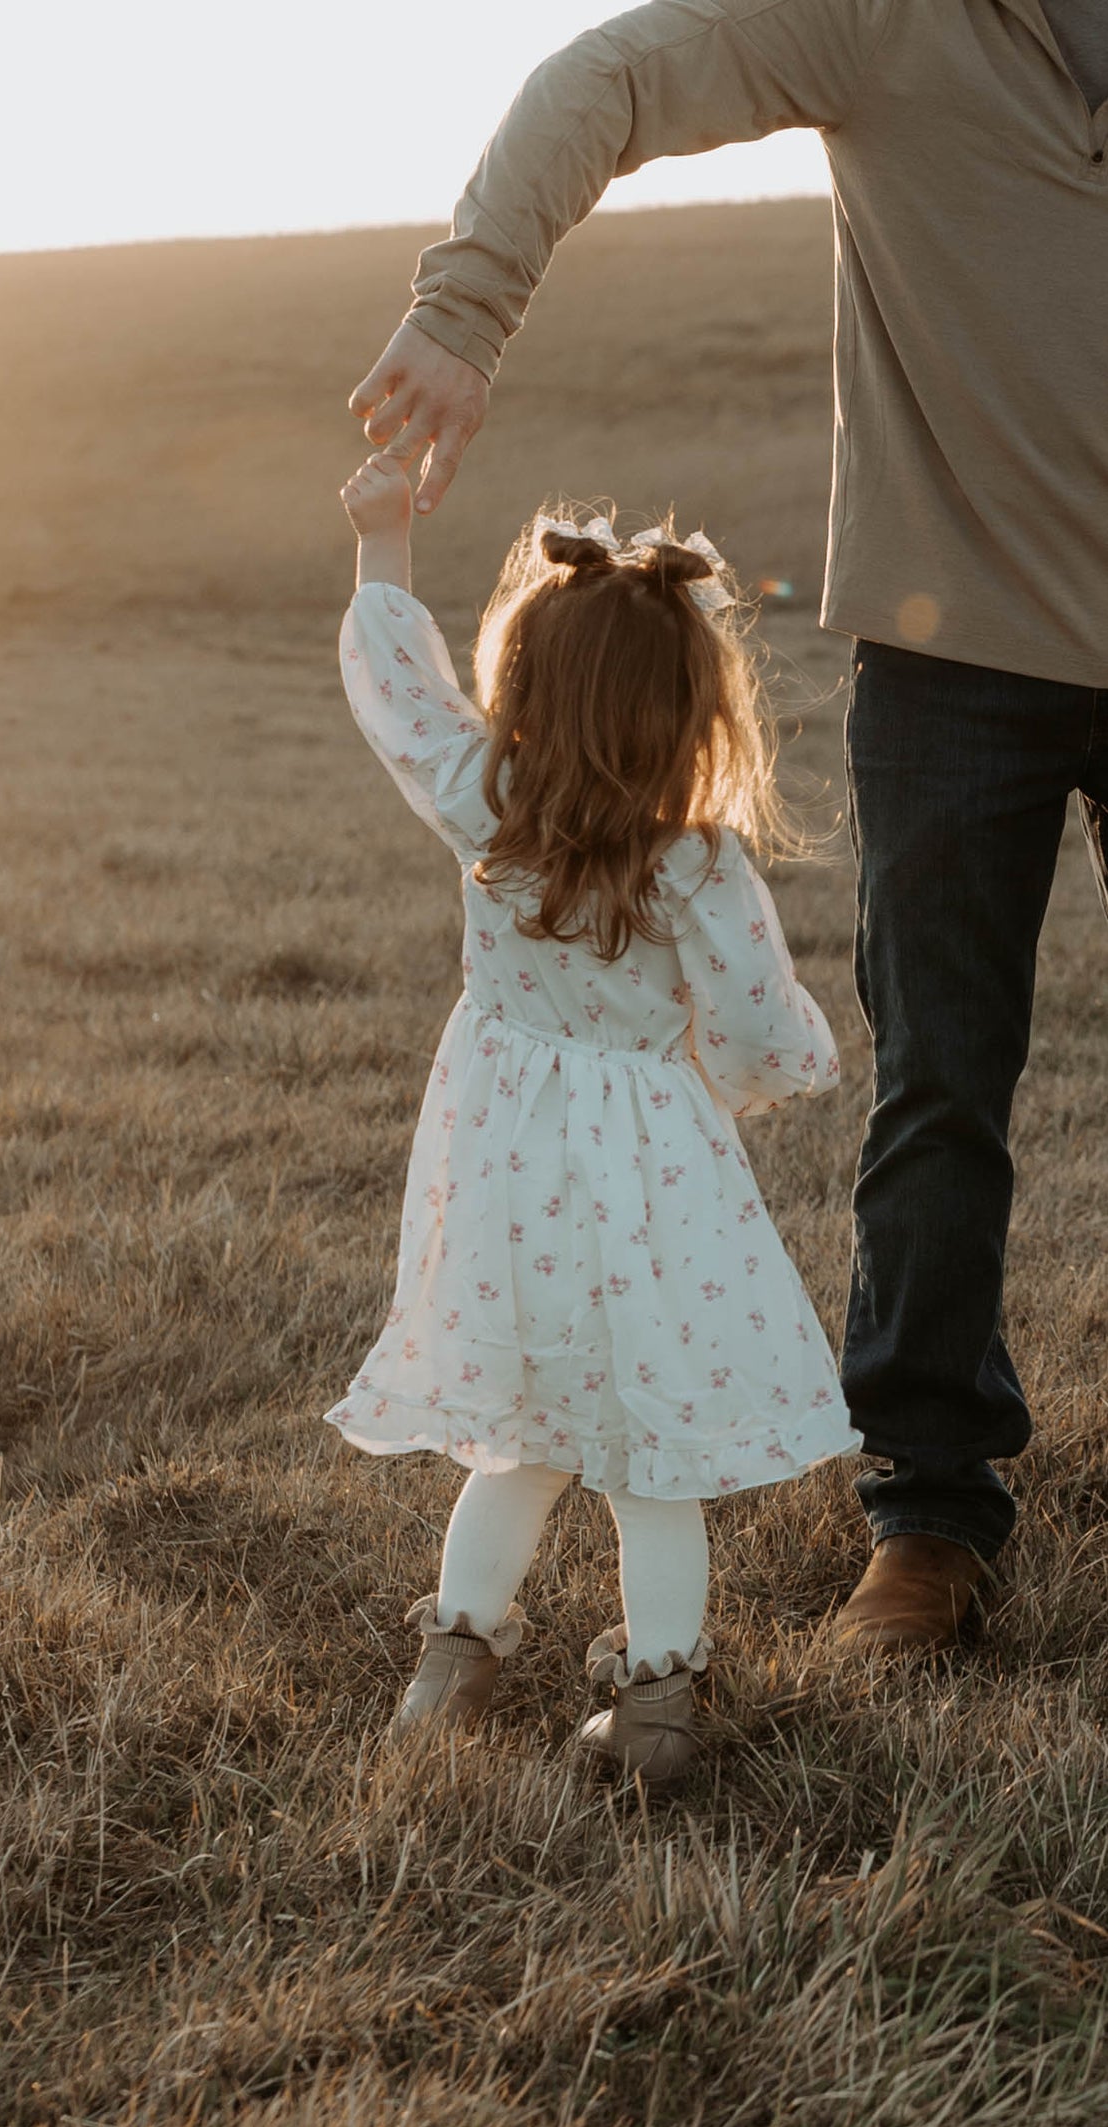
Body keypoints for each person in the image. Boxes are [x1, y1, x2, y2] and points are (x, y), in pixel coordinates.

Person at [347, 0, 1108, 1657]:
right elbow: (604, 75)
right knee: (938, 1091)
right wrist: (464, 314)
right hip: (958, 649)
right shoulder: (890, 22)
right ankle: (927, 1516)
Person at [326, 452, 859, 1784]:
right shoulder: (698, 864)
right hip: (652, 1181)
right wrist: (761, 1076)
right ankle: (660, 1712)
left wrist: (381, 540)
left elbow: (398, 696)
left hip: (503, 1168)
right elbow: (753, 1022)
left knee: (520, 1434)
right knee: (646, 1454)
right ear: (691, 713)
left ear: (521, 686)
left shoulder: (483, 807)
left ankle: (448, 1666)